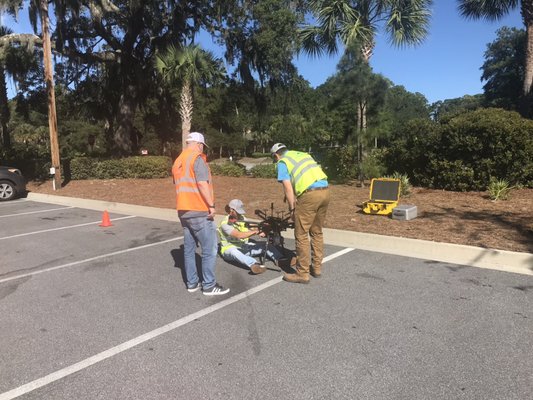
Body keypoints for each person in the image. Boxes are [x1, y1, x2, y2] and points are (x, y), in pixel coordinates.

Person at [172, 132, 230, 296]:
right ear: (199, 144)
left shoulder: (178, 161)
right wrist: (211, 205)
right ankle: (209, 286)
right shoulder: (196, 158)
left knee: (189, 250)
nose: (202, 149)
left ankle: (192, 283)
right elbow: (202, 183)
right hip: (198, 209)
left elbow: (179, 184)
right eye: (202, 146)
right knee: (209, 249)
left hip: (183, 210)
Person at [270, 143, 330, 284]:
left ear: (276, 155)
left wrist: (292, 209)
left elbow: (287, 187)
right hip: (325, 191)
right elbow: (303, 177)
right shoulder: (302, 155)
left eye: (274, 158)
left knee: (301, 234)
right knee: (316, 232)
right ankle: (316, 268)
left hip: (309, 196)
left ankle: (302, 273)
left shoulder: (282, 162)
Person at [217, 199, 289, 274]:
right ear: (231, 210)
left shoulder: (242, 218)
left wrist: (262, 228)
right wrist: (256, 232)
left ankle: (279, 259)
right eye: (237, 212)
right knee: (234, 252)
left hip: (244, 246)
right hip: (229, 249)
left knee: (265, 245)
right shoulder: (225, 223)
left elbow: (251, 227)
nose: (239, 214)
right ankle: (254, 265)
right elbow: (239, 235)